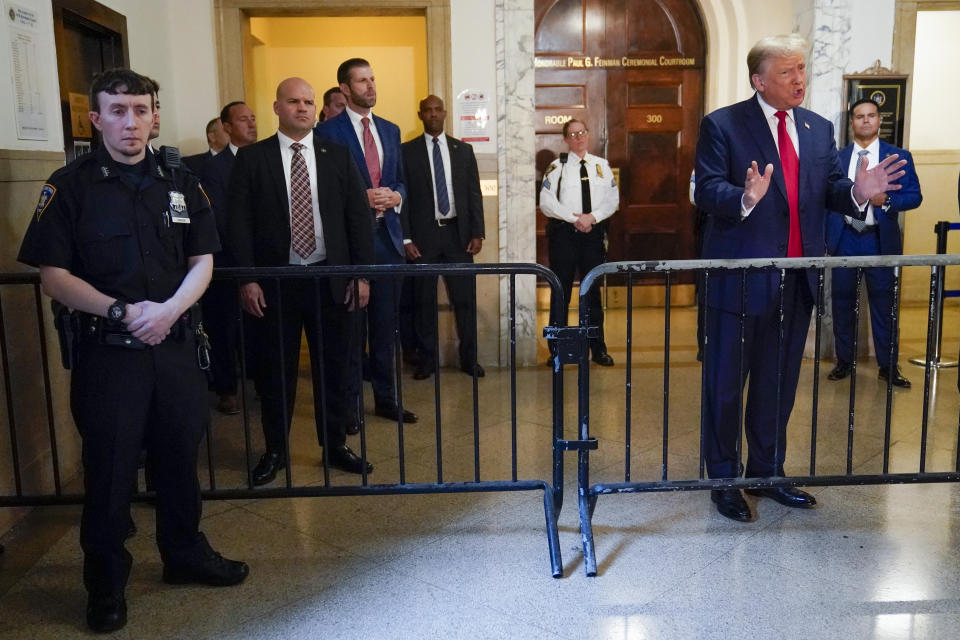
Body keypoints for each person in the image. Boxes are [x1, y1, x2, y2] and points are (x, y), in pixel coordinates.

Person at [16, 68, 248, 633]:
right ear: (96, 119)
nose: (131, 123)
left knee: (178, 460)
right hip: (108, 354)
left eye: (140, 110)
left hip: (172, 346)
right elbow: (53, 275)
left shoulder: (182, 182)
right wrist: (121, 311)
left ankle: (184, 555)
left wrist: (167, 312)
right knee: (111, 471)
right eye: (117, 112)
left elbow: (202, 262)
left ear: (155, 116)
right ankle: (105, 586)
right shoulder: (68, 186)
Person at [694, 35, 906, 522]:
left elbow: (831, 188)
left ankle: (766, 472)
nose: (799, 79)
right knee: (726, 386)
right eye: (787, 71)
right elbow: (707, 189)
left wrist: (858, 191)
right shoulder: (723, 124)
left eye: (802, 69)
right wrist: (744, 197)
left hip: (797, 281)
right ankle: (724, 479)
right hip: (741, 280)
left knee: (777, 383)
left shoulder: (816, 128)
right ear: (759, 80)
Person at [227, 77, 375, 485]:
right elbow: (237, 224)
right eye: (294, 101)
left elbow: (357, 220)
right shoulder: (252, 159)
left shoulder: (337, 155)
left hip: (331, 280)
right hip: (275, 283)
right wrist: (247, 279)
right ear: (277, 107)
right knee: (276, 372)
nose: (304, 108)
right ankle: (275, 450)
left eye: (309, 102)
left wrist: (360, 275)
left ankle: (336, 446)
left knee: (335, 368)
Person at [315, 58, 417, 423]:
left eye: (373, 79)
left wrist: (396, 196)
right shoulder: (327, 132)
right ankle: (351, 408)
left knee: (387, 328)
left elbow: (402, 180)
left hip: (388, 241)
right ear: (345, 88)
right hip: (350, 245)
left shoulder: (390, 130)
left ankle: (387, 400)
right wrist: (362, 197)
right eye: (362, 81)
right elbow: (325, 191)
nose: (371, 86)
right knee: (352, 332)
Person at [826, 98, 922, 388]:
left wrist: (888, 200)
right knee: (842, 303)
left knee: (885, 304)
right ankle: (844, 361)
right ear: (852, 122)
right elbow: (824, 198)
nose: (865, 120)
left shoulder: (898, 156)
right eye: (859, 116)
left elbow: (915, 196)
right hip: (844, 239)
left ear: (880, 120)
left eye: (871, 115)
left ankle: (888, 366)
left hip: (879, 240)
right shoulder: (837, 158)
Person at [401, 94, 485, 379]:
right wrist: (406, 239)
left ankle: (469, 359)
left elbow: (474, 193)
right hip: (423, 238)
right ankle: (426, 361)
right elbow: (404, 199)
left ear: (445, 113)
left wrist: (477, 232)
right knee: (422, 302)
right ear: (420, 114)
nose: (434, 114)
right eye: (428, 110)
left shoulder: (463, 151)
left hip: (458, 236)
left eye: (438, 110)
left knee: (465, 300)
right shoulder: (406, 152)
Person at [539, 118, 619, 366]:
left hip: (592, 236)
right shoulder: (556, 167)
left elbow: (612, 199)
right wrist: (574, 219)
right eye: (572, 134)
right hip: (565, 235)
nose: (578, 137)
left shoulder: (601, 166)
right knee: (560, 292)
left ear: (588, 134)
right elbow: (546, 202)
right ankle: (557, 351)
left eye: (582, 132)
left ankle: (598, 348)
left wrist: (592, 218)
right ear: (565, 139)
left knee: (593, 294)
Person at [201, 101, 258, 414]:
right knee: (223, 327)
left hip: (263, 260)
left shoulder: (267, 158)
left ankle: (263, 382)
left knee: (260, 327)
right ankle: (227, 388)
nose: (251, 124)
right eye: (243, 120)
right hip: (226, 260)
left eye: (253, 118)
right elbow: (220, 216)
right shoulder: (212, 168)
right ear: (226, 127)